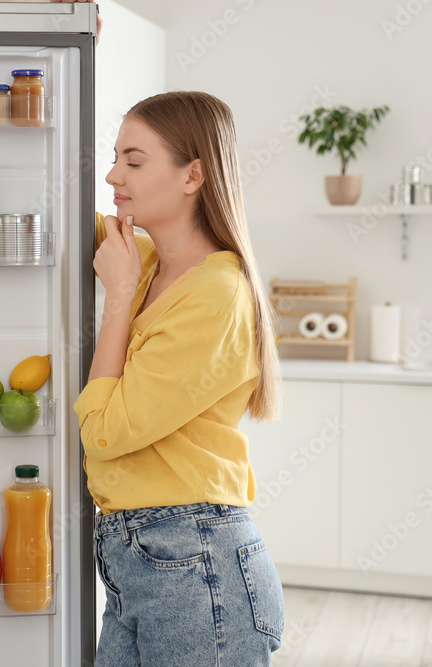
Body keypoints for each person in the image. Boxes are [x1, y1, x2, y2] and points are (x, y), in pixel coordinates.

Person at [74, 91, 285, 666]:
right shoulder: (147, 261)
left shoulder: (214, 295)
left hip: (196, 562)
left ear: (194, 174)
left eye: (135, 162)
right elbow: (62, 205)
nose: (114, 175)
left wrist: (118, 295)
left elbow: (104, 433)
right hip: (138, 560)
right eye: (116, 157)